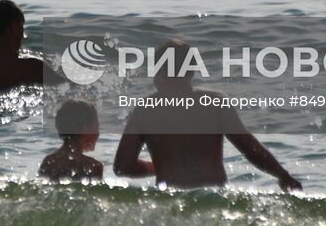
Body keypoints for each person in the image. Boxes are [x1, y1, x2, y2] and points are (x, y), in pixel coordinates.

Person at [113, 39, 301, 190]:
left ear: (160, 72)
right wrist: (282, 174)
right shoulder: (214, 102)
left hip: (168, 202)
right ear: (192, 70)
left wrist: (155, 167)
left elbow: (122, 166)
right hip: (212, 199)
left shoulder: (146, 110)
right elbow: (250, 148)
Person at [40, 98, 105, 182]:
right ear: (85, 128)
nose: (98, 133)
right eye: (96, 127)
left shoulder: (49, 161)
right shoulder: (93, 166)